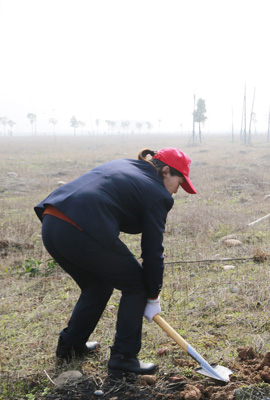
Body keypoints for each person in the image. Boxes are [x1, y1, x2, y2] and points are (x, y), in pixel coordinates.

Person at [34, 147, 197, 377]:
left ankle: (70, 347)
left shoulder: (126, 165)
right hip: (79, 228)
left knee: (97, 285)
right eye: (180, 183)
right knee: (136, 284)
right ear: (166, 172)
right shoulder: (157, 193)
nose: (177, 191)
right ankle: (124, 357)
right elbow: (152, 252)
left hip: (53, 223)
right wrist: (152, 294)